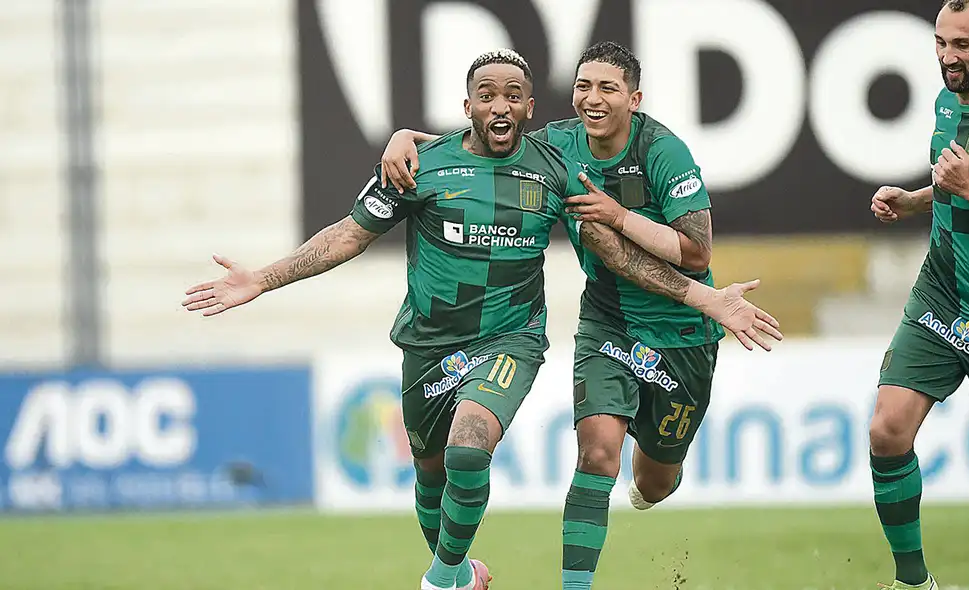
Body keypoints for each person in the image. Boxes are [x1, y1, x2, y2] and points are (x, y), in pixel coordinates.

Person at [183, 49, 780, 590]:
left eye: (513, 96)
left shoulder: (556, 169)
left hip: (510, 339)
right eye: (486, 96)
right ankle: (463, 572)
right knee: (430, 472)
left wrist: (706, 299)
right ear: (466, 106)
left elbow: (617, 252)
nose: (500, 105)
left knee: (476, 447)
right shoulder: (419, 165)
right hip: (428, 343)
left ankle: (443, 580)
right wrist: (260, 279)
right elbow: (347, 236)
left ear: (528, 107)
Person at [379, 41, 779, 590]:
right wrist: (407, 138)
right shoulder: (558, 145)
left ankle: (657, 474)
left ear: (633, 99)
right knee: (596, 453)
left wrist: (621, 215)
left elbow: (697, 252)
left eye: (607, 88)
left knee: (656, 481)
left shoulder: (664, 152)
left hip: (681, 327)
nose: (591, 99)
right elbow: (481, 141)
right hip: (607, 321)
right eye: (583, 86)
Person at [869, 2, 969, 589]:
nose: (948, 57)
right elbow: (955, 184)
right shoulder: (949, 98)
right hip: (943, 291)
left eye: (963, 46)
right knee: (887, 429)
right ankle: (913, 582)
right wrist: (918, 199)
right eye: (941, 42)